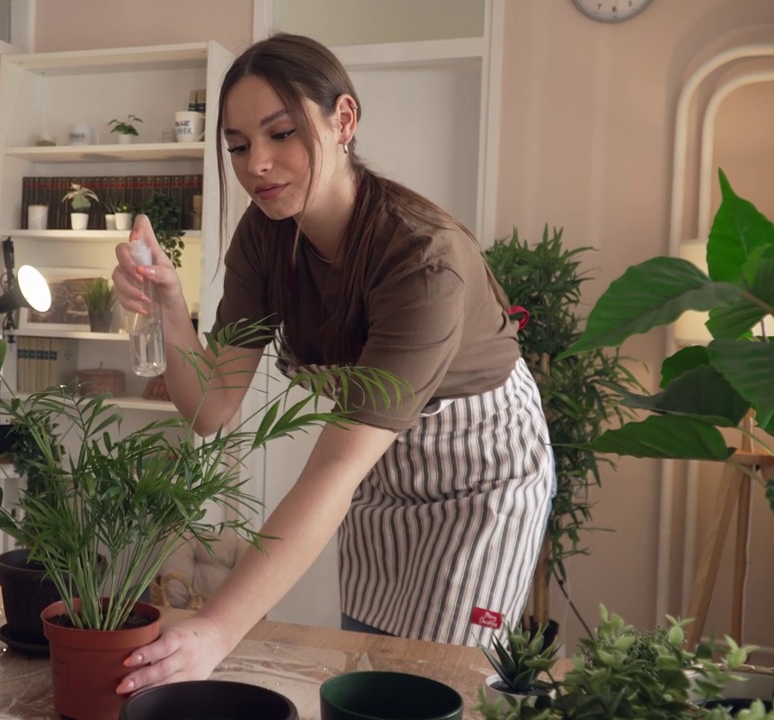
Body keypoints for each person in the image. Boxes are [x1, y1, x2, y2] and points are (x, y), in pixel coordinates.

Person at [109, 33, 554, 694]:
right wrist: (172, 305)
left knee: (436, 687)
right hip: (382, 476)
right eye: (237, 144)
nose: (256, 163)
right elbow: (210, 407)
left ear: (343, 119)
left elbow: (339, 464)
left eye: (281, 133)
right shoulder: (267, 233)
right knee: (367, 670)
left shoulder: (421, 258)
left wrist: (216, 630)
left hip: (480, 485)